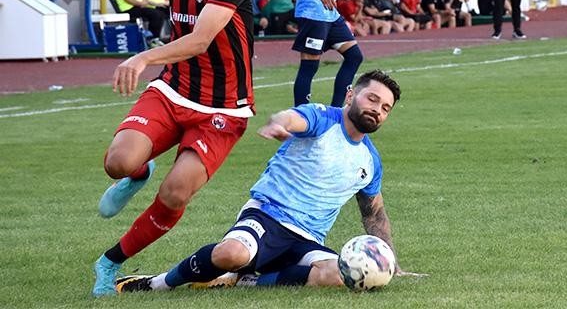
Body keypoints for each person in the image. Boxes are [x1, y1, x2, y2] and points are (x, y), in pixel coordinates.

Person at [114, 70, 422, 294]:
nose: (377, 110)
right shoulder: (323, 118)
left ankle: (246, 280)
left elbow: (374, 214)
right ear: (351, 95)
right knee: (231, 255)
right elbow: (294, 118)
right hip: (267, 215)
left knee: (339, 274)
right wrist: (279, 122)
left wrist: (390, 262)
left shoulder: (370, 161)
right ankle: (156, 283)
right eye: (372, 99)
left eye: (385, 108)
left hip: (307, 238)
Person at [92, 0, 255, 297]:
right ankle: (138, 171)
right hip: (174, 88)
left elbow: (201, 39)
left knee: (175, 192)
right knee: (118, 163)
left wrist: (141, 57)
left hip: (223, 106)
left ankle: (109, 262)